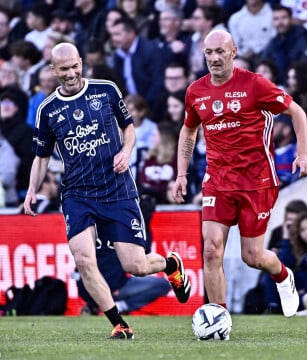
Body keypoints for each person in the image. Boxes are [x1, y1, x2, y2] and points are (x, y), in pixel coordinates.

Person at [24, 43, 191, 340]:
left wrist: (126, 152)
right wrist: (30, 191)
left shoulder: (106, 91)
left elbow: (129, 128)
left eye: (75, 66)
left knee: (136, 265)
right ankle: (119, 322)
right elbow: (42, 156)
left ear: (81, 62)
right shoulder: (48, 109)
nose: (71, 73)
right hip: (77, 194)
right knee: (85, 260)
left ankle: (170, 264)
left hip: (116, 189)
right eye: (64, 69)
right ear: (53, 71)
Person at [173, 30, 307, 318]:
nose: (214, 58)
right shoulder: (195, 92)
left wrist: (303, 154)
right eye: (208, 53)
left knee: (252, 257)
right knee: (211, 250)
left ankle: (284, 275)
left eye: (220, 52)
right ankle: (218, 318)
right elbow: (189, 130)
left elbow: (297, 112)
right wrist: (181, 174)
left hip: (256, 181)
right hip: (218, 181)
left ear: (233, 52)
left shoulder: (254, 84)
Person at [76, 238, 171, 315]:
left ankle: (94, 306)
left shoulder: (86, 238)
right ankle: (120, 306)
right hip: (116, 287)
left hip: (94, 289)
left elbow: (77, 273)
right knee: (163, 284)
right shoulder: (119, 234)